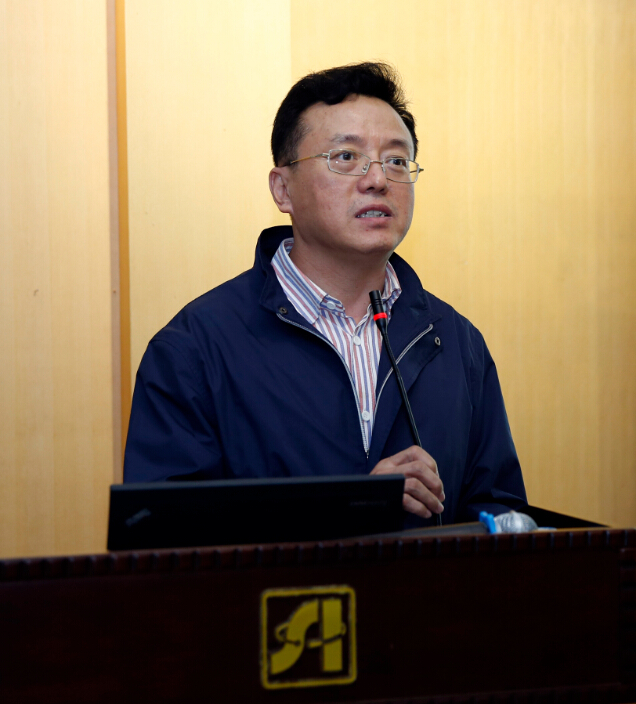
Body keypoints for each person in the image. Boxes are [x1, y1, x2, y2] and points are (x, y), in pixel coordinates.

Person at [124, 62, 526, 528]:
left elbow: (499, 513)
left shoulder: (455, 342)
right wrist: (350, 508)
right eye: (346, 157)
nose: (378, 179)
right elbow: (163, 537)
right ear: (283, 189)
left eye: (397, 161)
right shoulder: (195, 349)